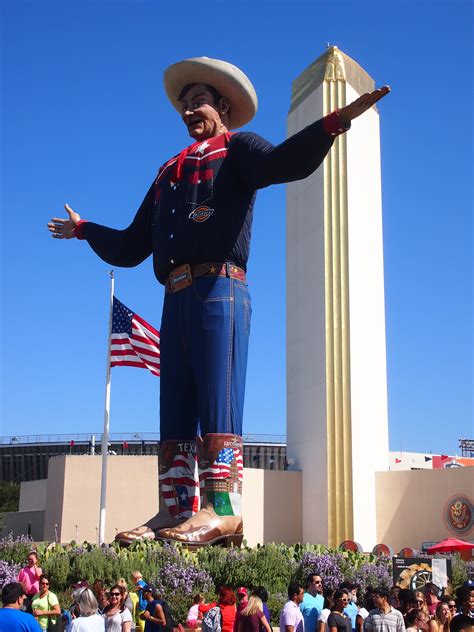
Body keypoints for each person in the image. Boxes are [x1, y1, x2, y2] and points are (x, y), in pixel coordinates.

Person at [48, 56, 390, 548]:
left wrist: (334, 122)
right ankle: (174, 510)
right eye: (185, 104)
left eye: (199, 102)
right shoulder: (168, 171)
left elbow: (282, 164)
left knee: (217, 399)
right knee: (176, 407)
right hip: (176, 296)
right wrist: (84, 230)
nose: (190, 111)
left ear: (223, 106)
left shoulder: (239, 150)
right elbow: (128, 246)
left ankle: (223, 508)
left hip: (220, 289)